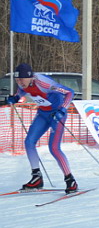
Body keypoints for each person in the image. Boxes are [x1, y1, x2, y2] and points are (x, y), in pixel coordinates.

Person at [6, 63, 78, 193]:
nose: (20, 83)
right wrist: (15, 98)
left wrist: (62, 109)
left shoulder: (43, 83)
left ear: (30, 77)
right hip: (43, 114)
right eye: (17, 80)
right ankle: (36, 177)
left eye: (21, 80)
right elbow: (21, 92)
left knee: (54, 148)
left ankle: (70, 180)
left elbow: (69, 92)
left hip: (57, 115)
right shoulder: (24, 83)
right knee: (29, 142)